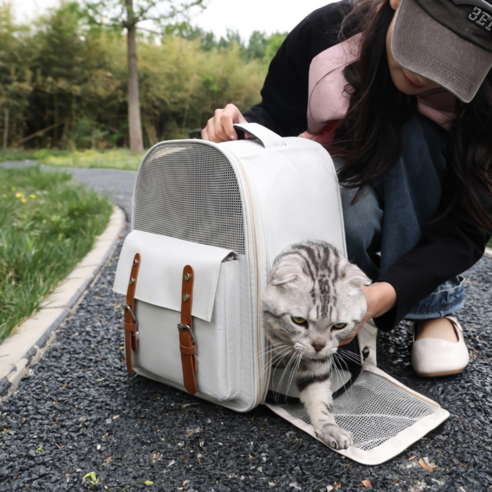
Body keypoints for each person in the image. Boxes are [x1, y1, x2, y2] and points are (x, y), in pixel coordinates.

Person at [201, 0, 492, 377]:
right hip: (343, 177)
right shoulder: (327, 34)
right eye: (424, 43)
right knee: (347, 205)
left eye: (451, 63)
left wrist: (386, 294)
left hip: (424, 195)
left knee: (417, 136)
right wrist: (238, 129)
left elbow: (467, 227)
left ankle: (433, 305)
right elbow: (276, 116)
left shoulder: (482, 100)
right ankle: (342, 303)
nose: (423, 71)